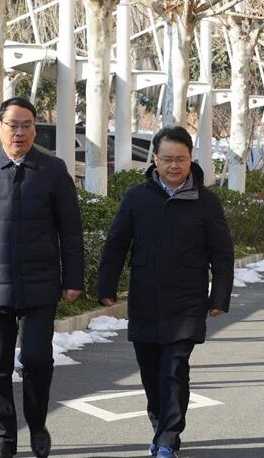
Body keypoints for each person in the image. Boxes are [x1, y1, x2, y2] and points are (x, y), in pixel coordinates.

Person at [0, 97, 84, 458]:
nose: (19, 132)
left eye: (27, 125)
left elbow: (71, 231)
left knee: (37, 360)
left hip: (39, 286)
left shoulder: (52, 170)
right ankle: (2, 440)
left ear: (35, 130)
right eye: (13, 125)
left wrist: (73, 279)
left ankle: (37, 424)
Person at [98, 126, 234, 458]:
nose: (174, 166)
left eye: (181, 159)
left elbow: (222, 253)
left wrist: (219, 297)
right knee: (150, 373)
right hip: (145, 299)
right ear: (155, 160)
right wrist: (106, 287)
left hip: (187, 301)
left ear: (191, 160)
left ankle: (168, 439)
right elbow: (116, 244)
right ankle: (161, 428)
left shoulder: (206, 202)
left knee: (174, 371)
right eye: (168, 159)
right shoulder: (137, 198)